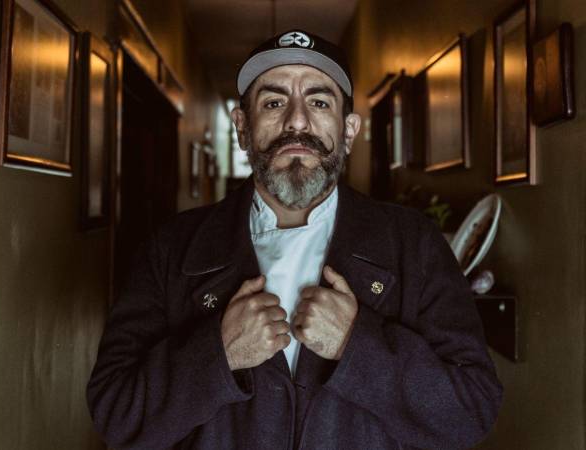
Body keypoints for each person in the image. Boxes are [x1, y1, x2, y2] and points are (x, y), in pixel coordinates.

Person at [87, 30, 502, 450]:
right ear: (242, 127)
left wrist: (358, 346)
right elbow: (114, 412)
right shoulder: (171, 248)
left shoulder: (414, 244)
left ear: (349, 131)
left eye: (319, 103)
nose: (297, 121)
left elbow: (472, 409)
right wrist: (219, 355)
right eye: (273, 102)